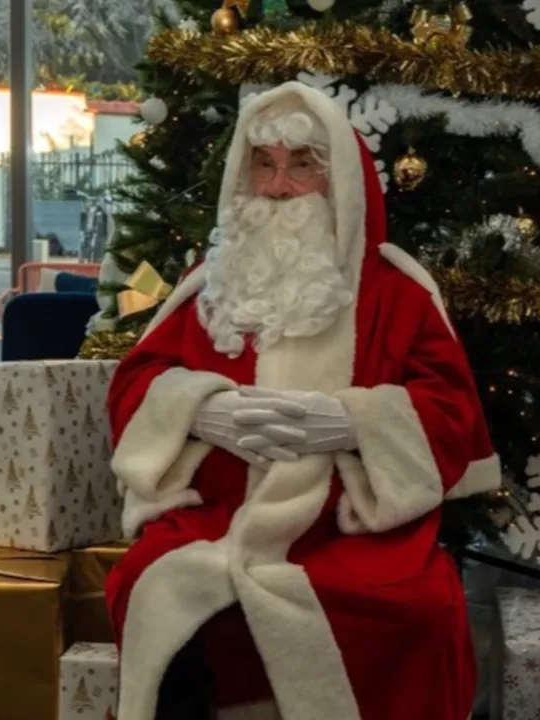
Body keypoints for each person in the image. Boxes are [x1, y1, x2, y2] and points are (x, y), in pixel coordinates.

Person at [104, 82, 501, 720]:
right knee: (154, 586)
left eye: (302, 166)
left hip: (352, 530)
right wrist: (199, 409)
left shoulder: (398, 290)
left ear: (338, 178)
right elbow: (136, 381)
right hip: (216, 517)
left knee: (420, 610)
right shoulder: (209, 285)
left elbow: (450, 409)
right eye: (264, 165)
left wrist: (353, 422)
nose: (279, 187)